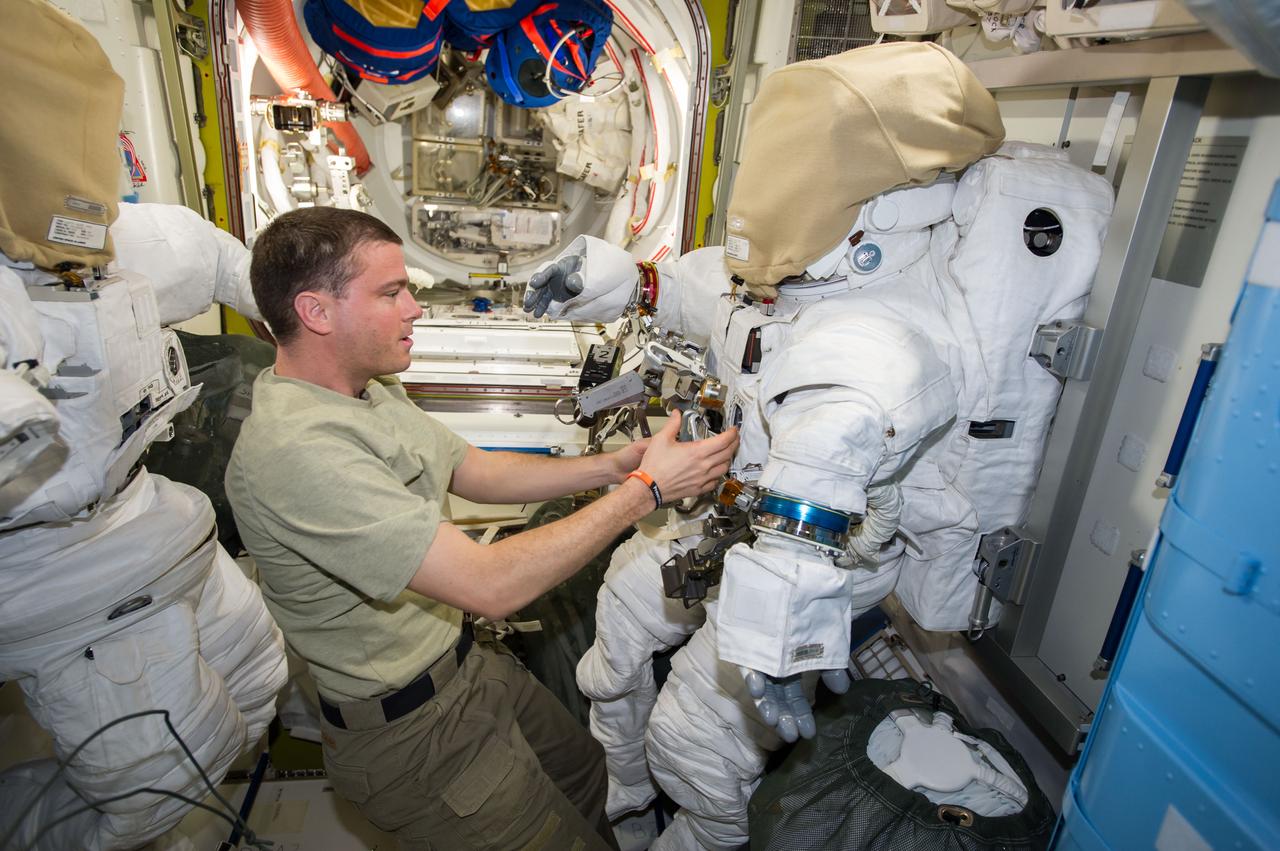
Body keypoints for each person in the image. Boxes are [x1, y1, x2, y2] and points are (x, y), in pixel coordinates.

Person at [524, 42, 1114, 848]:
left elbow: (825, 468)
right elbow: (725, 300)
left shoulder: (877, 343)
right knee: (620, 623)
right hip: (743, 511)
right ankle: (623, 794)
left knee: (693, 740)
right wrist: (634, 281)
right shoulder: (806, 279)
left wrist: (776, 641)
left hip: (822, 557)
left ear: (886, 199)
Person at [225, 205, 738, 850]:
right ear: (316, 312)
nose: (414, 308)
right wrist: (648, 491)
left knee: (593, 788)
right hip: (413, 738)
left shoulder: (365, 391)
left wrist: (612, 466)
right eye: (391, 293)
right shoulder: (297, 450)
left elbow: (476, 471)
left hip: (470, 669)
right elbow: (490, 585)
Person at [0, 1, 287, 847]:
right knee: (167, 792)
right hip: (58, 573)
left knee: (262, 678)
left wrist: (290, 316)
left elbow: (224, 261)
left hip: (148, 518)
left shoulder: (107, 242)